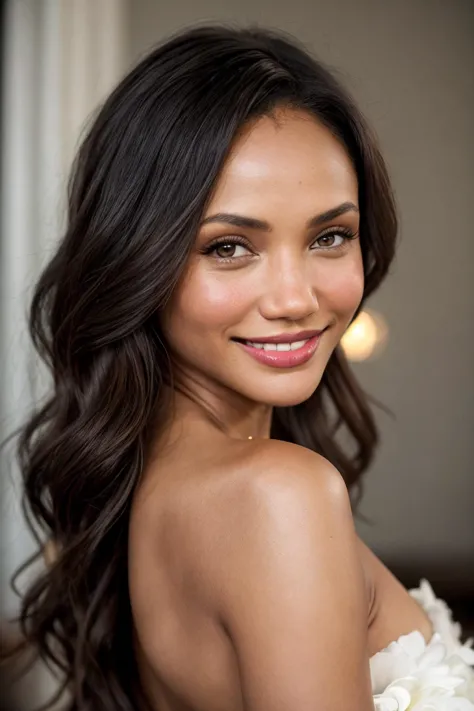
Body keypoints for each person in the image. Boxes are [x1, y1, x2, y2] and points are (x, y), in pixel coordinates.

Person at [5, 24, 473, 711]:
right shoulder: (280, 497)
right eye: (229, 246)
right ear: (139, 260)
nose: (295, 298)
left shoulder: (161, 491)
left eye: (330, 235)